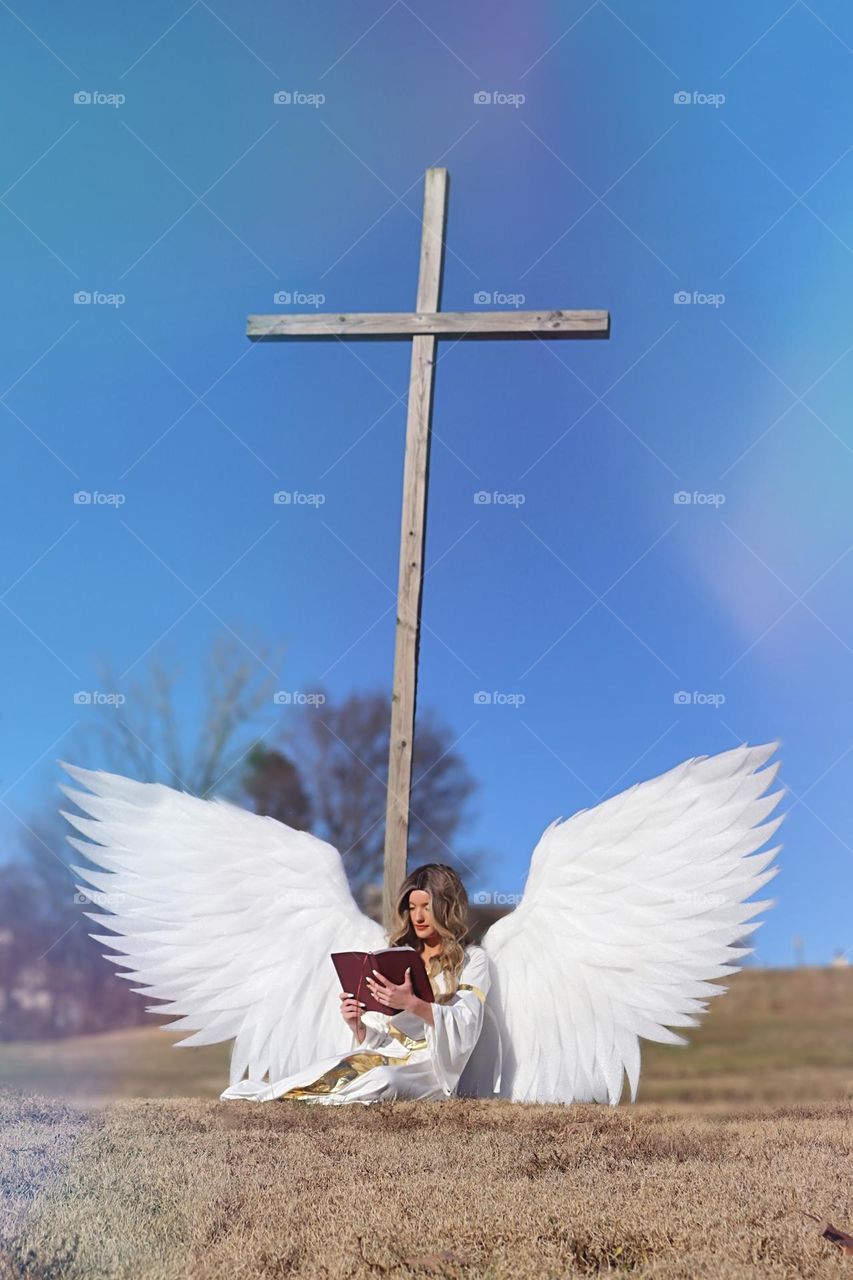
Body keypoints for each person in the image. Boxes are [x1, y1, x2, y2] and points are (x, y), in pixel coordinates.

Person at [220, 863, 501, 1105]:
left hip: (430, 1071)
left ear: (446, 907)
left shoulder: (472, 961)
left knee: (383, 1080)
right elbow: (385, 1039)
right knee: (333, 1068)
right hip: (383, 1055)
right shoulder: (401, 957)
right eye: (412, 907)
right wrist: (359, 1025)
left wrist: (412, 1004)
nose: (417, 917)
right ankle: (283, 1096)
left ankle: (322, 1099)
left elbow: (467, 1026)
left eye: (426, 907)